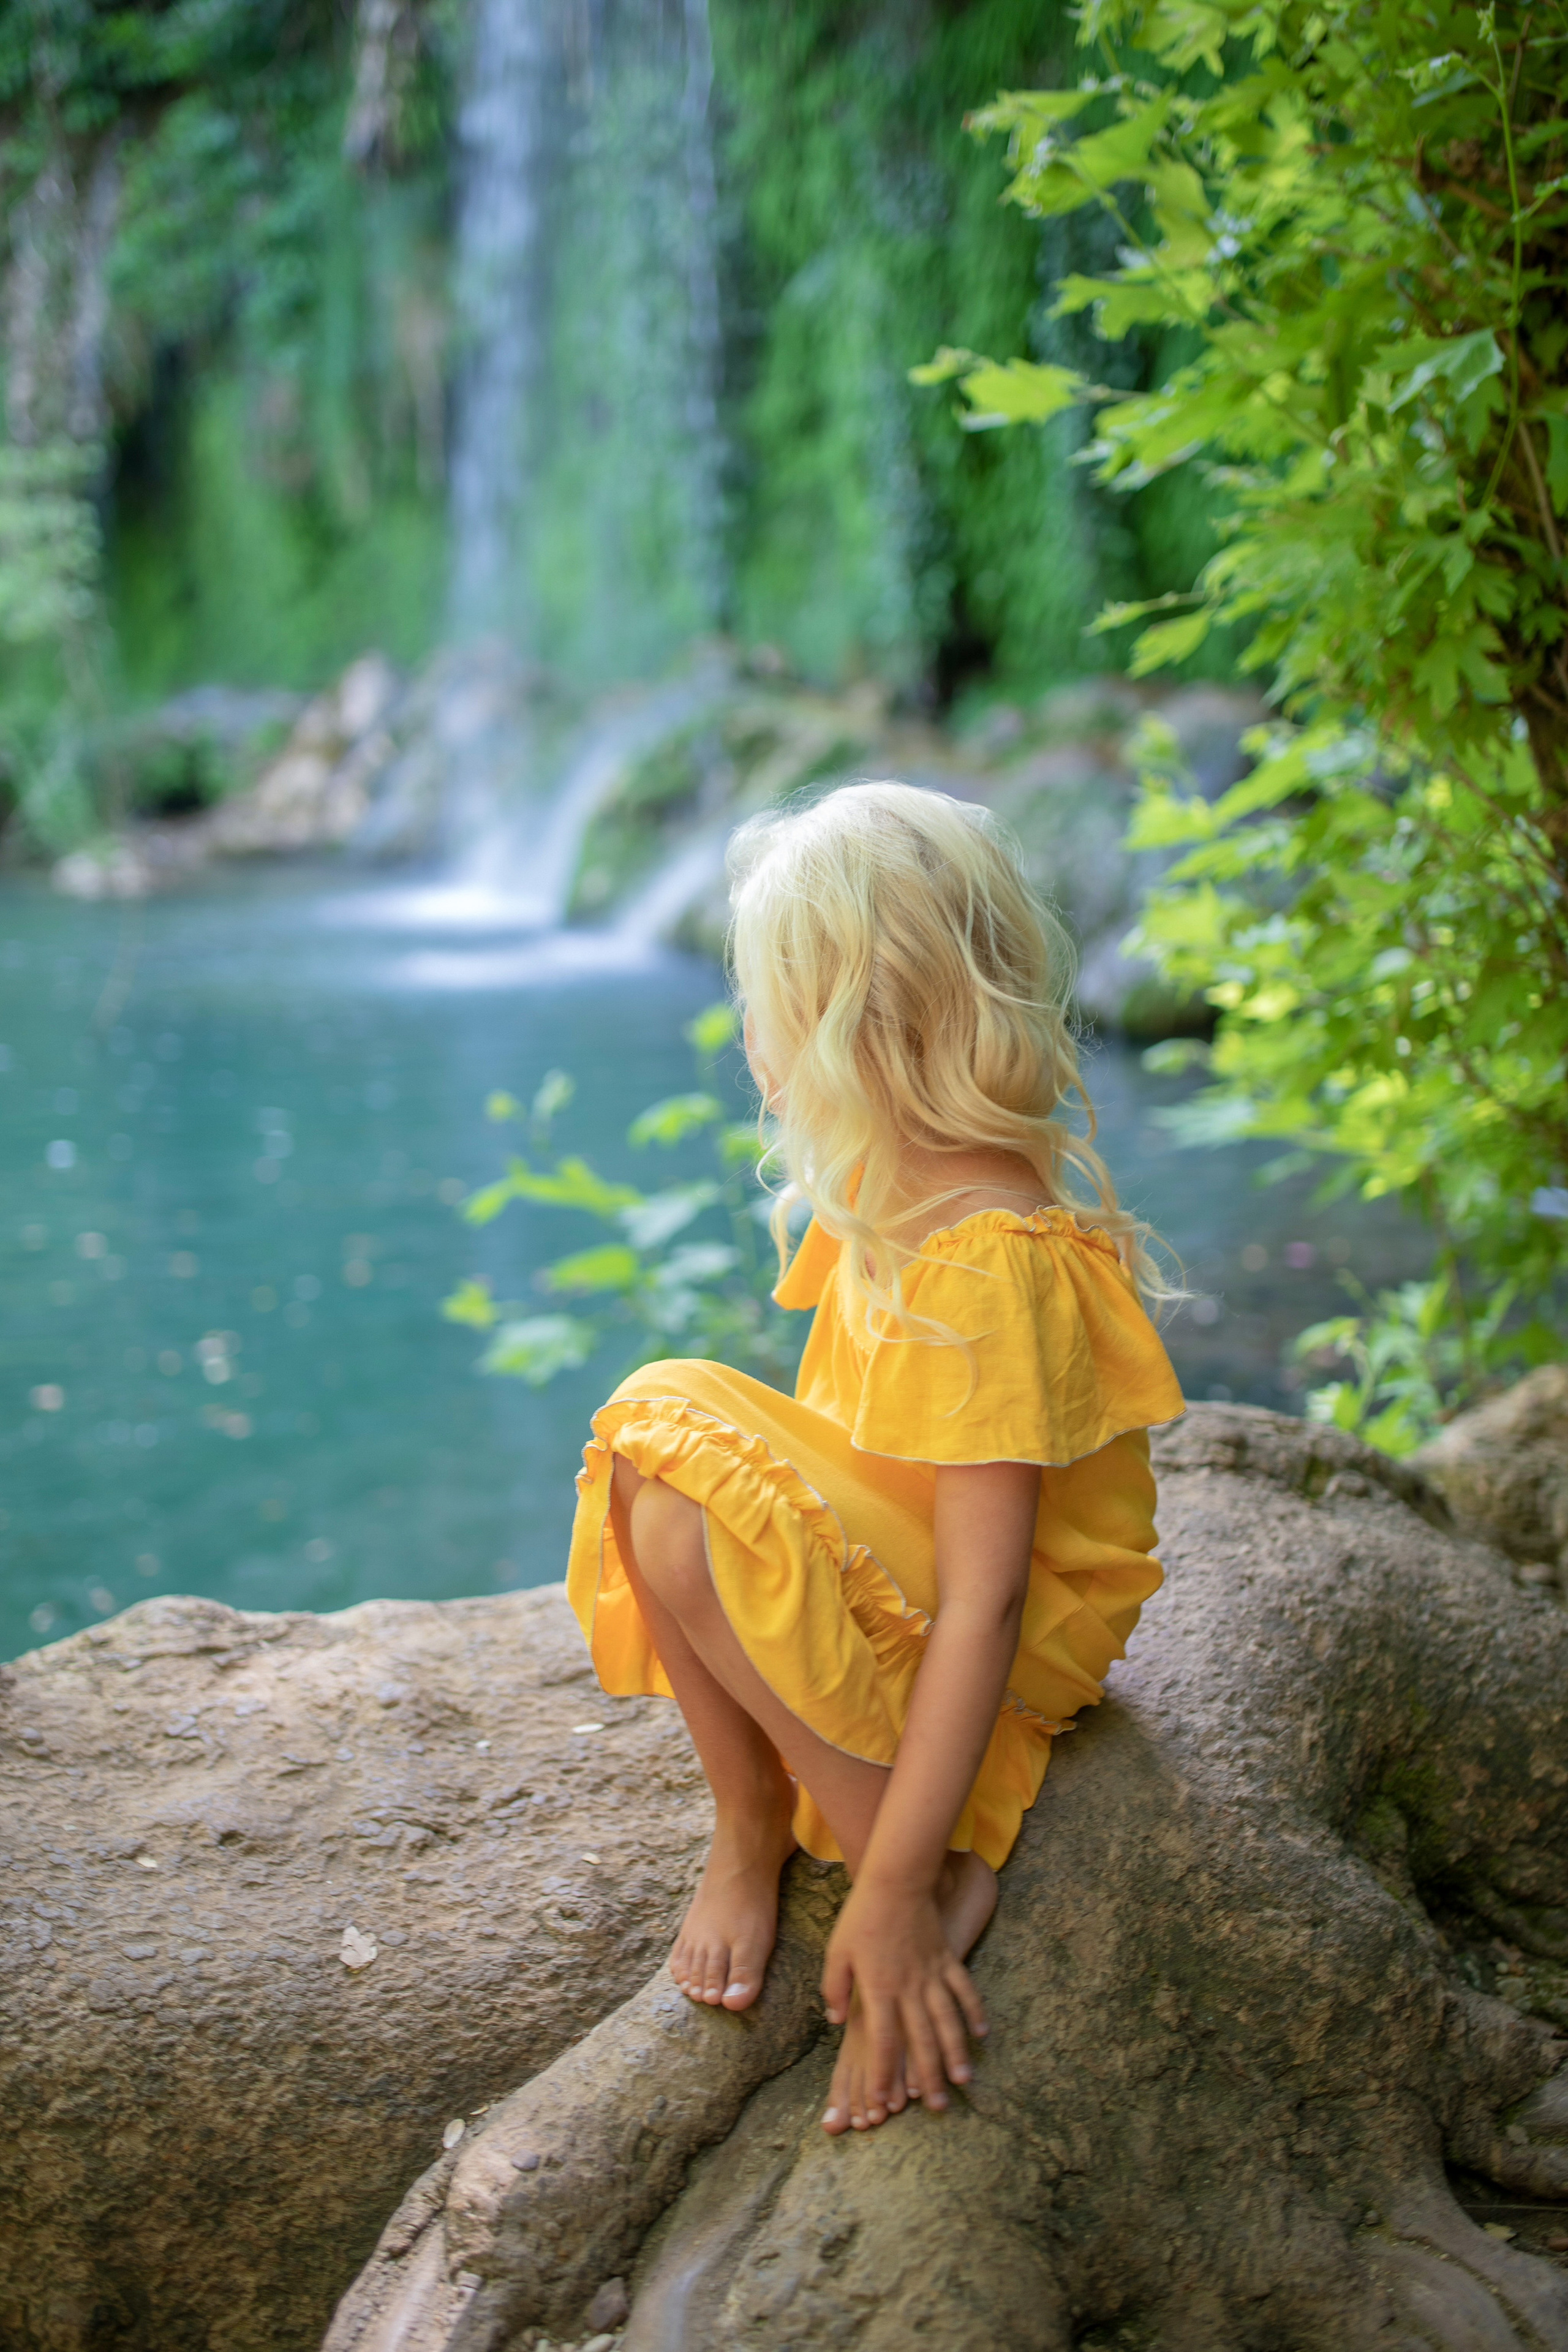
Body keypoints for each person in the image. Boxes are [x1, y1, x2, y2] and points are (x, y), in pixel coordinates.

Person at [565, 782, 1183, 2136]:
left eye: (766, 1006)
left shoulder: (982, 1257)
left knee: (677, 1474)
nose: (749, 1042)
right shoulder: (883, 1193)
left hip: (989, 1639)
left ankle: (918, 1860)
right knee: (647, 1454)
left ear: (857, 1021)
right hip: (909, 1580)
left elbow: (989, 1598)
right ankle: (751, 1827)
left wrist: (895, 1881)